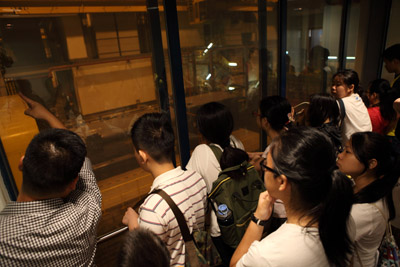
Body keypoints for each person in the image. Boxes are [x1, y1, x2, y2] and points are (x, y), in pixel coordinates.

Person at [0, 93, 102, 266]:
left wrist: (45, 115)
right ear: (72, 184)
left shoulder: (3, 239)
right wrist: (47, 115)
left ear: (21, 163)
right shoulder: (88, 210)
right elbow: (80, 157)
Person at [230, 127, 354, 267]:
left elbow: (235, 264)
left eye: (266, 166)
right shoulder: (342, 217)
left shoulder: (267, 255)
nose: (263, 169)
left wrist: (258, 219)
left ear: (282, 182)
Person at [122, 112, 207, 266]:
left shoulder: (153, 207)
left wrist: (134, 226)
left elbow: (147, 260)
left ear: (142, 155)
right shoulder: (197, 178)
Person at [186, 102, 244, 266]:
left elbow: (190, 186)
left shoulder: (202, 152)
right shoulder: (236, 143)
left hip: (220, 226)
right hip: (242, 216)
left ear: (204, 129)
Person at [336, 132, 400, 266]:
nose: (340, 155)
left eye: (347, 152)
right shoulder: (373, 189)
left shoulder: (365, 211)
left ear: (371, 164)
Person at [331, 69, 372, 144]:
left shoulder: (340, 103)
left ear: (351, 87)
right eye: (333, 84)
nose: (333, 87)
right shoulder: (358, 98)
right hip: (365, 145)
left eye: (338, 84)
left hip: (352, 148)